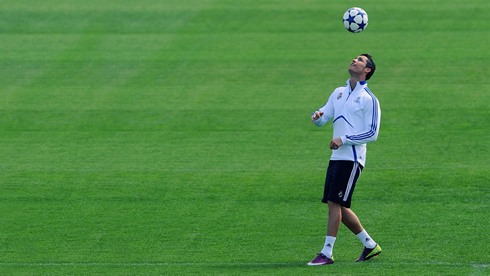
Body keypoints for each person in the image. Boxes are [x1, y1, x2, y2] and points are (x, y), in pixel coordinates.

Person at [307, 54, 382, 266]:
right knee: (338, 203)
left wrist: (344, 139)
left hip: (352, 158)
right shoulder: (338, 92)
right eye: (354, 58)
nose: (354, 61)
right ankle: (370, 245)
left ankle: (327, 253)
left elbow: (373, 133)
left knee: (334, 202)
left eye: (359, 60)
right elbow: (324, 116)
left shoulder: (369, 99)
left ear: (367, 70)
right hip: (337, 157)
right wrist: (317, 116)